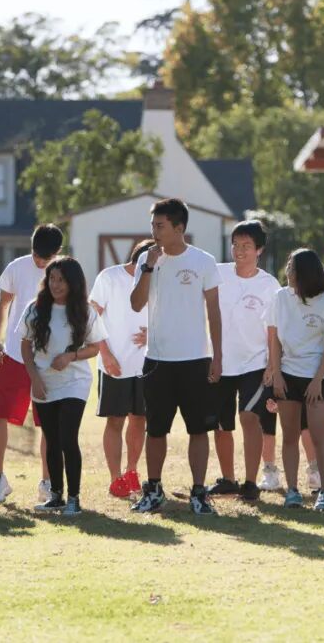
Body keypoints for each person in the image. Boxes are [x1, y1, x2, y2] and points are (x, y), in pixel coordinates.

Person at [129, 199, 223, 515]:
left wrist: (217, 356)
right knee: (155, 430)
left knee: (199, 429)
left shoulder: (204, 261)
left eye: (160, 226)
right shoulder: (146, 258)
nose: (154, 232)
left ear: (179, 228)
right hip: (157, 359)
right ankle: (154, 490)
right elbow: (136, 304)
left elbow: (214, 310)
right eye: (153, 226)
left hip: (196, 359)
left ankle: (199, 493)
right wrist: (148, 267)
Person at [20, 257, 108, 514]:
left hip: (75, 382)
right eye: (52, 279)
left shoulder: (85, 311)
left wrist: (71, 356)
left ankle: (74, 498)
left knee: (68, 438)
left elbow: (95, 347)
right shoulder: (34, 309)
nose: (56, 285)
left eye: (62, 279)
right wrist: (34, 377)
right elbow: (25, 345)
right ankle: (55, 495)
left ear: (73, 282)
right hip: (44, 383)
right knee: (52, 438)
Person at [0, 224, 62, 504]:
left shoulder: (65, 272)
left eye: (46, 258)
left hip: (49, 360)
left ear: (56, 253)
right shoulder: (17, 267)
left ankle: (47, 481)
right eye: (36, 255)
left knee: (49, 423)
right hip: (16, 356)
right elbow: (3, 305)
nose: (40, 262)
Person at [207, 220, 281, 501]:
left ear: (259, 249)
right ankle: (228, 480)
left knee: (249, 418)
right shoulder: (217, 274)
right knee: (221, 424)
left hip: (254, 364)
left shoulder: (269, 285)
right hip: (219, 363)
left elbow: (275, 331)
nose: (239, 251)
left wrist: (273, 366)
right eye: (236, 245)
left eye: (247, 246)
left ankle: (251, 483)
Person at [266, 249, 324, 511]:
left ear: (306, 274)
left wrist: (317, 380)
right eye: (288, 267)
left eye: (293, 269)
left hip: (316, 377)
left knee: (319, 435)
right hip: (287, 375)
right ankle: (292, 491)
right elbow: (274, 339)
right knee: (289, 436)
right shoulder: (280, 298)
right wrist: (276, 374)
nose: (288, 273)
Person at [91, 239, 152, 499]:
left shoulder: (157, 279)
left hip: (147, 364)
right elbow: (91, 317)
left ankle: (132, 471)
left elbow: (166, 316)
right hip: (114, 363)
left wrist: (153, 334)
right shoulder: (109, 277)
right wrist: (105, 355)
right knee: (115, 420)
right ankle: (115, 479)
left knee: (139, 419)